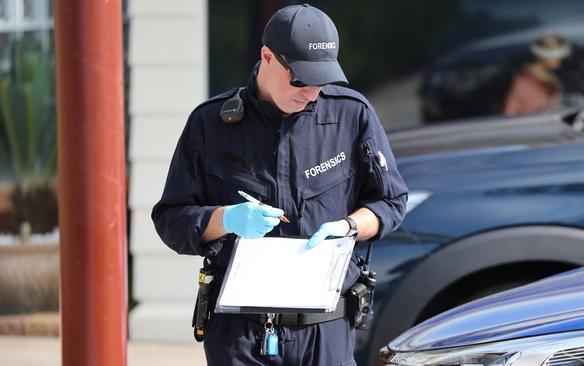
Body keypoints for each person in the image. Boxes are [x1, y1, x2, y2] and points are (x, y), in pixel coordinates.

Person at [151, 4, 407, 366]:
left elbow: (392, 201)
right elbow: (170, 219)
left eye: (322, 81)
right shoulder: (211, 124)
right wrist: (226, 219)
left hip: (325, 333)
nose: (312, 93)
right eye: (301, 80)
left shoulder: (351, 116)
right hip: (240, 336)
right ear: (267, 57)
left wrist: (349, 226)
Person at [503, 34, 571, 116]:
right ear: (541, 55)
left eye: (560, 54)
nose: (559, 58)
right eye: (553, 54)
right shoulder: (524, 81)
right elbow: (511, 113)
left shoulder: (554, 75)